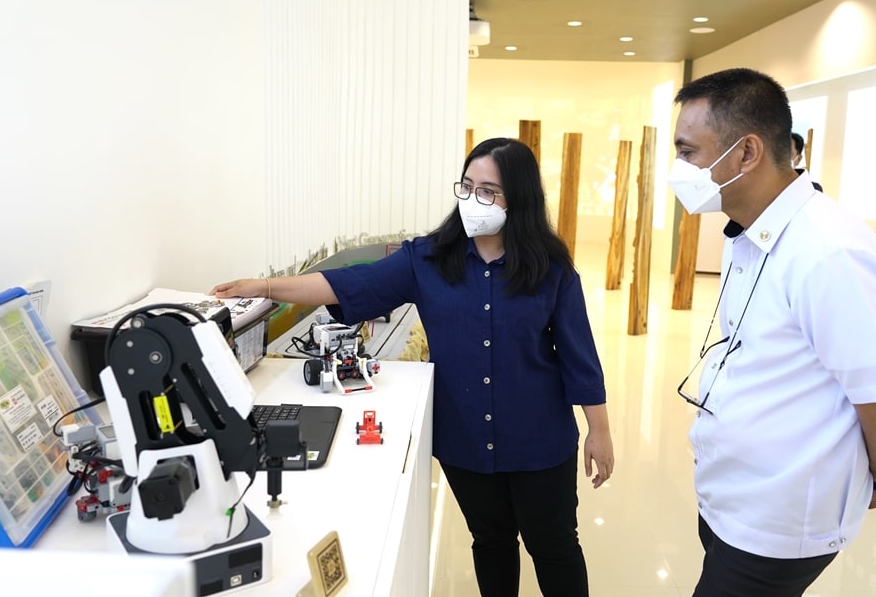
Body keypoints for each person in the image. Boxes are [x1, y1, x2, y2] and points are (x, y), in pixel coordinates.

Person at [211, 137, 614, 597]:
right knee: (491, 541)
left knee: (554, 546)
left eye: (488, 191)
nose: (472, 201)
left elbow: (579, 356)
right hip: (465, 441)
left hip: (539, 439)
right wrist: (264, 287)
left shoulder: (550, 268)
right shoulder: (427, 259)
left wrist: (599, 431)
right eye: (466, 187)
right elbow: (345, 283)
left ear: (517, 200)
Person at [668, 68, 876, 597]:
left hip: (778, 524)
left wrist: (874, 480)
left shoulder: (831, 256)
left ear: (747, 153)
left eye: (688, 151)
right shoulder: (753, 236)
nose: (680, 168)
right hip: (731, 498)